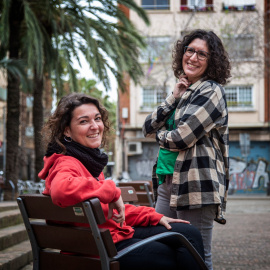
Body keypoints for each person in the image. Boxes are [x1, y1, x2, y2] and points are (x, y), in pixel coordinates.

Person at [39, 93, 205, 270]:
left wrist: (153, 216)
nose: (95, 126)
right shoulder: (65, 162)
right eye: (84, 121)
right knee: (178, 250)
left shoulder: (85, 161)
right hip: (101, 248)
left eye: (97, 118)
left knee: (188, 233)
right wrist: (111, 190)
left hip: (105, 238)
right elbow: (61, 190)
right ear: (66, 130)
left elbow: (110, 212)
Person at [143, 29, 231, 270]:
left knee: (197, 254)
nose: (193, 57)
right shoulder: (183, 93)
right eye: (190, 50)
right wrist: (173, 96)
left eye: (202, 54)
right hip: (167, 184)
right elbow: (146, 126)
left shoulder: (211, 91)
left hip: (195, 185)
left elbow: (182, 137)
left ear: (212, 61)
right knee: (162, 247)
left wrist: (160, 135)